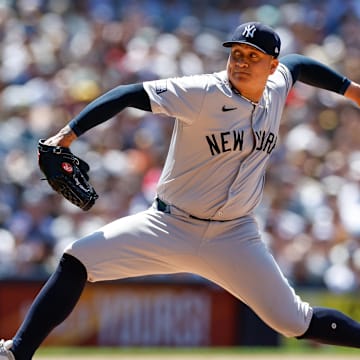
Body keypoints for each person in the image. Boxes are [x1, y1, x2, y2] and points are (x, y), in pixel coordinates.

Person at [1, 21, 360, 360]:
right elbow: (126, 94)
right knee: (77, 259)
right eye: (236, 53)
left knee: (293, 321)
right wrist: (65, 136)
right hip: (168, 225)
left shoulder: (278, 85)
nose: (242, 62)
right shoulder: (202, 92)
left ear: (271, 66)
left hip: (235, 235)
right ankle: (18, 352)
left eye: (254, 56)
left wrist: (352, 91)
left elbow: (299, 64)